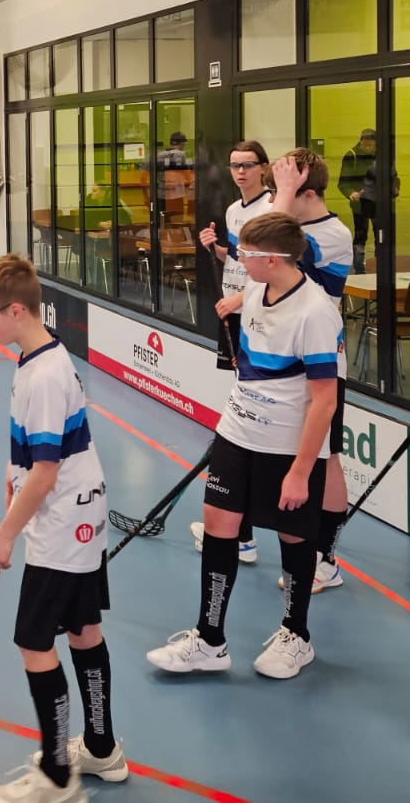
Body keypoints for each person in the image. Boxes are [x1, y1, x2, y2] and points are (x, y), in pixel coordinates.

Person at [146, 212, 341, 681]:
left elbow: (325, 400)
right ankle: (209, 639)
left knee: (294, 537)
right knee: (218, 523)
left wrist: (300, 471)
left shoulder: (316, 313)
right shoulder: (255, 289)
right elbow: (249, 346)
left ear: (273, 259)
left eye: (247, 255)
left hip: (287, 446)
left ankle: (297, 635)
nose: (239, 262)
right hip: (237, 434)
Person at [0, 254, 124, 802]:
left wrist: (5, 533)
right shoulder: (42, 355)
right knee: (83, 629)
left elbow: (45, 471)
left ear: (16, 310)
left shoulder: (43, 375)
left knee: (33, 642)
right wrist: (11, 474)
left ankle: (58, 777)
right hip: (81, 511)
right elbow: (40, 449)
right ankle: (102, 749)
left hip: (62, 523)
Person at [268, 149, 356, 595]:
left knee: (326, 458)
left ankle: (325, 557)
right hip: (277, 359)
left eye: (282, 190)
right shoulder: (291, 220)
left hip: (318, 361)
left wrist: (281, 193)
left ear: (306, 193)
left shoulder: (334, 234)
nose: (274, 197)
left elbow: (270, 242)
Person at [193, 138, 273, 566]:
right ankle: (240, 529)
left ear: (263, 167)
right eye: (235, 165)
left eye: (248, 164)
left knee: (251, 415)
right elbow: (239, 259)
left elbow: (275, 268)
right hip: (233, 314)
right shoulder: (232, 210)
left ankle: (242, 533)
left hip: (253, 316)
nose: (241, 172)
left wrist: (240, 300)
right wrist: (216, 247)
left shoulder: (272, 208)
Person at [337, 129, 377, 272]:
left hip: (377, 201)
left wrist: (395, 187)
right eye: (365, 145)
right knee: (361, 234)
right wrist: (351, 193)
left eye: (371, 145)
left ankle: (378, 266)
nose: (368, 148)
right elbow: (343, 182)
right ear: (360, 142)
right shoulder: (352, 155)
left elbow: (393, 175)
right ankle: (359, 268)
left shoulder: (381, 155)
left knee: (381, 235)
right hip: (360, 202)